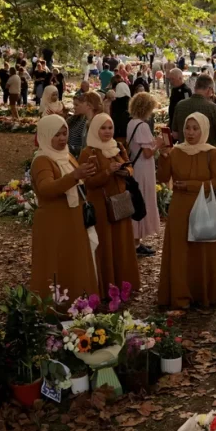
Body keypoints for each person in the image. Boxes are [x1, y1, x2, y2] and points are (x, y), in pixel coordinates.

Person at [156, 112, 216, 308]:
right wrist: (164, 157)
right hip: (180, 208)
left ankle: (202, 293)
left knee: (202, 248)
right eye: (187, 128)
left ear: (203, 130)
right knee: (180, 250)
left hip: (203, 206)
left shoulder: (210, 152)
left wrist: (191, 185)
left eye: (195, 129)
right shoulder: (176, 151)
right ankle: (180, 295)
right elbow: (163, 178)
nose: (190, 132)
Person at [30, 115, 99, 302]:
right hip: (54, 223)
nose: (62, 138)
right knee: (56, 264)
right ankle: (56, 307)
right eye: (56, 135)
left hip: (72, 219)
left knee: (73, 263)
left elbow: (76, 182)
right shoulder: (42, 160)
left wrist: (86, 172)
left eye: (64, 133)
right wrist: (75, 176)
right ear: (45, 135)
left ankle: (78, 304)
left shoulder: (66, 156)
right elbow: (46, 189)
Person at [78, 114, 141, 291]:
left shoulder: (117, 147)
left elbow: (129, 166)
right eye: (103, 128)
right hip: (101, 206)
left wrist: (126, 172)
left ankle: (124, 283)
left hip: (120, 204)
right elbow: (87, 183)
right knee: (105, 243)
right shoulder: (88, 152)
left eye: (110, 128)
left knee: (122, 243)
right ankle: (107, 286)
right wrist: (107, 172)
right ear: (94, 130)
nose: (107, 132)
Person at [127, 92, 164, 256]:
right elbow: (147, 153)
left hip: (137, 166)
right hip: (143, 168)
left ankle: (136, 239)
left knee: (138, 200)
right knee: (142, 201)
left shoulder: (131, 123)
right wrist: (159, 144)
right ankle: (136, 242)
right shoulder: (142, 126)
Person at [171, 74, 216, 146]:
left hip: (184, 151)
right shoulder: (213, 108)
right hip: (206, 151)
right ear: (209, 90)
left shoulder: (180, 105)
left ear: (195, 88)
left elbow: (175, 135)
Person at [70, 90, 103, 157]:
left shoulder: (96, 123)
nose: (80, 104)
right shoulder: (87, 122)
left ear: (89, 105)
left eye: (82, 102)